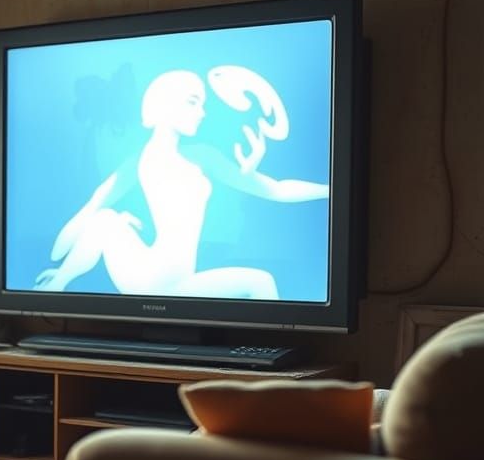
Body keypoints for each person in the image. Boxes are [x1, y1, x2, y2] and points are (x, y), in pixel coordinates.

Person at [33, 68, 329, 299]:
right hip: (148, 280)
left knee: (262, 282)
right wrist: (61, 275)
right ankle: (60, 283)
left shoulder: (203, 156)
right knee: (107, 218)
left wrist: (332, 191)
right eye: (192, 102)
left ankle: (260, 356)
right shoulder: (140, 161)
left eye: (202, 104)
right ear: (164, 103)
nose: (202, 112)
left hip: (179, 284)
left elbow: (277, 189)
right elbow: (92, 210)